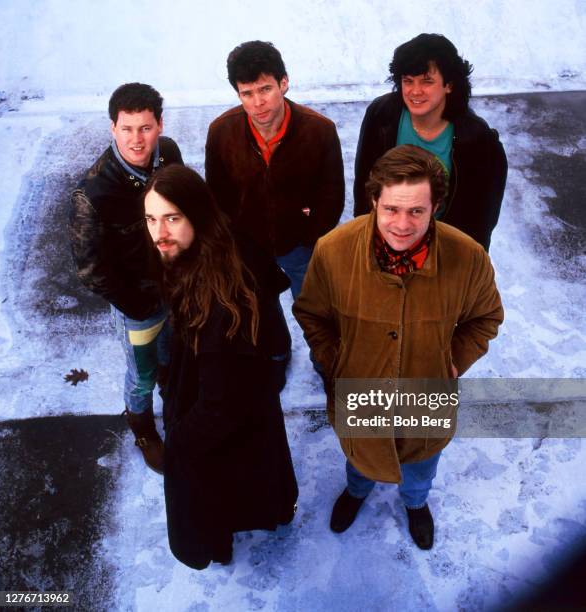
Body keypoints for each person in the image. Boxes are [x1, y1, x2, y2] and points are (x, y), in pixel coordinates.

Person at [293, 145, 504, 549]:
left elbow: (486, 318)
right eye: (391, 209)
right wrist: (336, 359)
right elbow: (312, 314)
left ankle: (415, 503)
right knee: (360, 459)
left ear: (436, 206)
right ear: (373, 200)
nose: (402, 224)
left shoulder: (468, 257)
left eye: (416, 211)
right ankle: (357, 490)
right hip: (359, 395)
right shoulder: (334, 250)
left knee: (421, 467)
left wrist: (452, 361)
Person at [143, 164, 298, 569]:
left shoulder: (219, 303)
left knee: (219, 487)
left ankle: (220, 536)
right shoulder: (213, 245)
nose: (159, 233)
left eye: (172, 218)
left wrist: (178, 443)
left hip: (222, 414)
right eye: (151, 219)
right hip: (230, 397)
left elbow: (219, 408)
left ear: (196, 215)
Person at [69, 83, 184, 474]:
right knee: (142, 376)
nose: (138, 139)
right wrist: (139, 304)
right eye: (128, 128)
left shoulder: (168, 154)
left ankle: (177, 407)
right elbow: (90, 269)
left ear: (160, 125)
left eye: (146, 128)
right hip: (139, 307)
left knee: (174, 357)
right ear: (113, 128)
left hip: (178, 289)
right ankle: (143, 429)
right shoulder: (93, 193)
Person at [205, 40, 345, 300]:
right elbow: (217, 198)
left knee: (316, 316)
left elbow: (332, 196)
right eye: (247, 93)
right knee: (258, 325)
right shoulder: (221, 132)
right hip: (248, 250)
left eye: (265, 89)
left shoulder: (319, 130)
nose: (258, 102)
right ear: (238, 94)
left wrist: (309, 237)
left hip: (301, 248)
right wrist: (237, 243)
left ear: (284, 83)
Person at [353, 33, 507, 251]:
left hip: (442, 246)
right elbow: (364, 184)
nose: (415, 91)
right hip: (386, 237)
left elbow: (482, 219)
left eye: (427, 81)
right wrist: (367, 236)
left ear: (449, 85)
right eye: (408, 81)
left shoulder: (478, 140)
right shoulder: (382, 115)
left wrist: (462, 262)